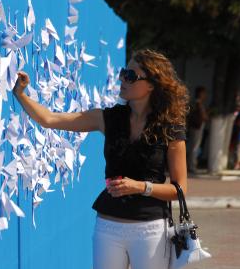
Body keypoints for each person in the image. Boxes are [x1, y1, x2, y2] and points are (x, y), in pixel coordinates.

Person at [12, 49, 189, 269]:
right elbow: (50, 119)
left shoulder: (170, 128)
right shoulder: (107, 118)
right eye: (123, 73)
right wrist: (21, 94)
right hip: (108, 226)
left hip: (151, 229)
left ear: (152, 84)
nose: (122, 79)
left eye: (131, 76)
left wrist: (140, 187)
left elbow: (180, 188)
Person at [186, 86, 208, 173]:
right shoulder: (198, 103)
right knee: (195, 146)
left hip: (195, 126)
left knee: (194, 146)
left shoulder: (195, 103)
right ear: (200, 93)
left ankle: (191, 164)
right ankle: (192, 166)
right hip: (197, 127)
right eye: (204, 93)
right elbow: (204, 116)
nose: (205, 95)